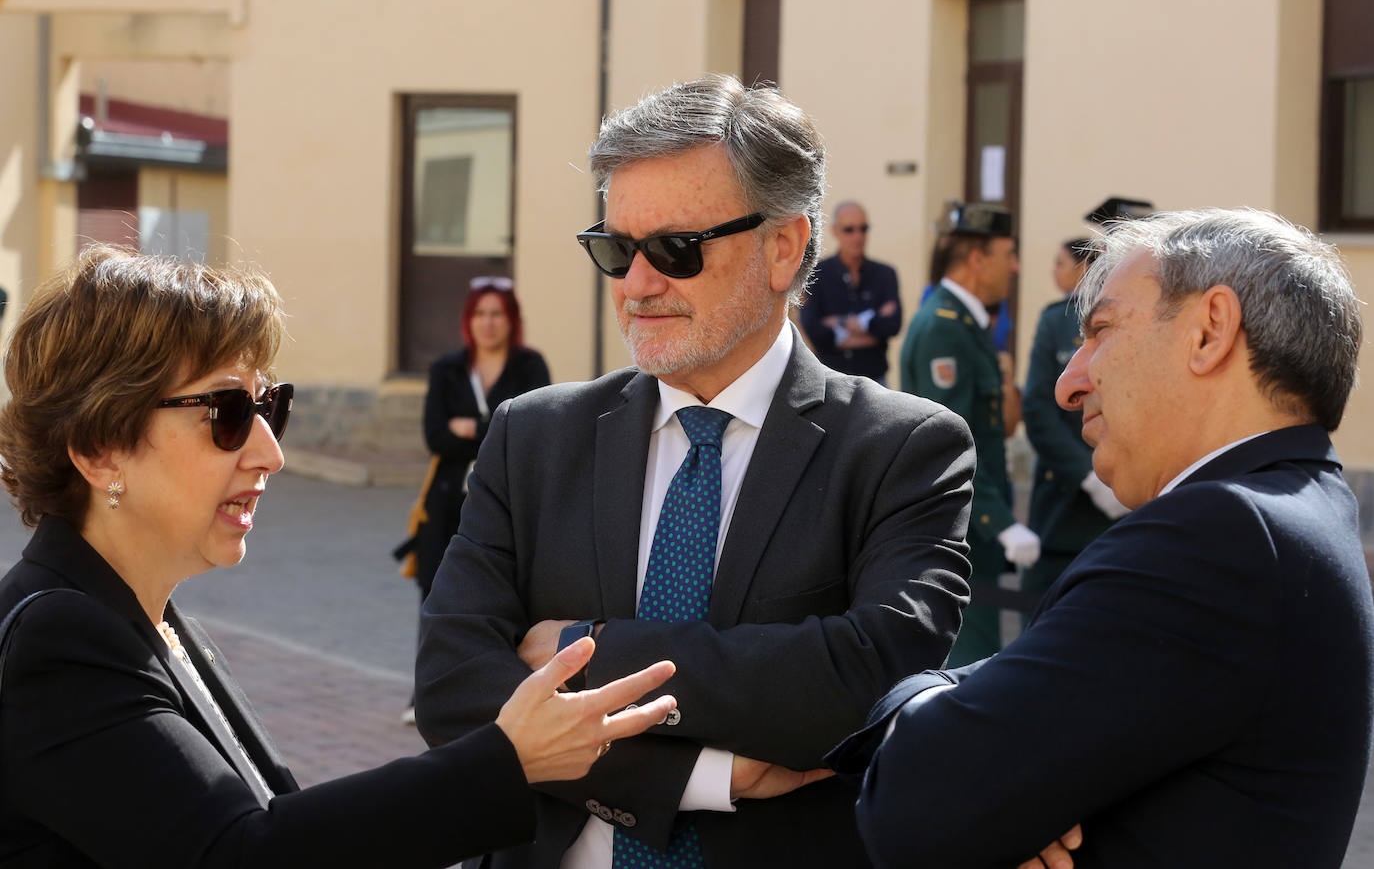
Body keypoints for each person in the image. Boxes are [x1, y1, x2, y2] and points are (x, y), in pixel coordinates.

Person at [415, 75, 975, 868]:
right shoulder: (533, 435)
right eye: (615, 249)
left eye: (675, 249)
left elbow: (867, 680)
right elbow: (450, 685)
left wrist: (587, 648)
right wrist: (699, 774)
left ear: (783, 246)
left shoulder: (900, 448)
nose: (637, 284)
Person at [0, 245, 678, 868]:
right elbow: (239, 853)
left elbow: (272, 815)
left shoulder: (153, 620)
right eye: (229, 413)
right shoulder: (58, 642)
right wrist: (506, 758)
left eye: (274, 407)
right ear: (96, 448)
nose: (271, 452)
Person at [829, 208, 1374, 869]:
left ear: (1209, 331)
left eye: (1101, 330)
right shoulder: (1298, 503)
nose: (1069, 382)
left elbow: (908, 805)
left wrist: (909, 703)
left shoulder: (1213, 539)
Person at [405, 276, 550, 723]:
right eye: (480, 314)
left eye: (497, 314)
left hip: (512, 502)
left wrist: (469, 429)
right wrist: (493, 432)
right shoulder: (448, 368)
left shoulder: (529, 366)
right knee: (437, 594)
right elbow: (434, 435)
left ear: (511, 320)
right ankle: (426, 693)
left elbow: (537, 434)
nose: (488, 323)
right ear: (469, 320)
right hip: (448, 501)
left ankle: (505, 691)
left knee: (509, 593)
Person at [900, 203, 1035, 665]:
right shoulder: (945, 327)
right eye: (1008, 254)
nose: (1015, 267)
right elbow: (955, 444)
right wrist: (1001, 522)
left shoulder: (966, 324)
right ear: (977, 260)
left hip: (974, 521)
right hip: (964, 528)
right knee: (969, 664)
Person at [1020, 238, 1127, 611]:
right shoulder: (1054, 320)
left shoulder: (1138, 317)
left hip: (1126, 500)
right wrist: (1087, 476)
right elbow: (1038, 407)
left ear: (1086, 267)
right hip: (1064, 499)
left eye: (1061, 263)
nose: (1054, 271)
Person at [799, 201, 901, 383]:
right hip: (832, 381)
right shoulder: (817, 274)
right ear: (835, 231)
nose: (858, 236)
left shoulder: (885, 274)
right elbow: (814, 329)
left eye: (863, 228)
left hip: (875, 380)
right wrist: (870, 324)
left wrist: (838, 324)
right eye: (849, 230)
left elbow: (892, 325)